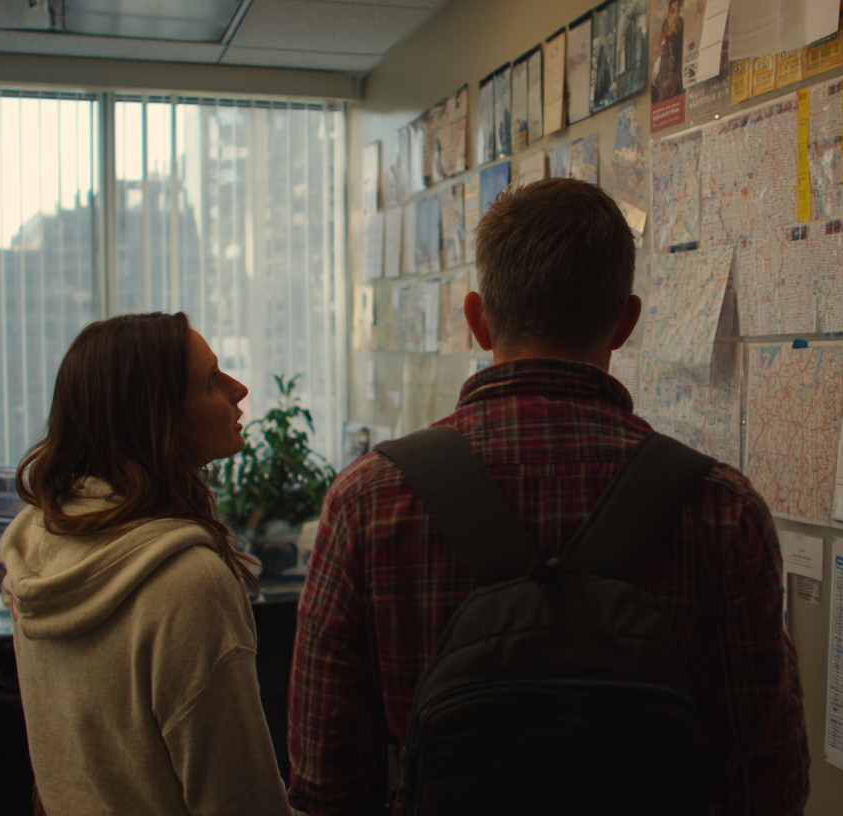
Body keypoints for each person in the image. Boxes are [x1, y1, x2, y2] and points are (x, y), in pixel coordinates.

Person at [288, 178, 809, 815]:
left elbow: (327, 782)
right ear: (625, 322)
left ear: (477, 321)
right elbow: (767, 783)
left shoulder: (367, 500)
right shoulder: (723, 510)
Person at [0, 312, 294, 816]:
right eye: (211, 382)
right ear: (158, 421)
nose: (239, 389)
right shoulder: (189, 584)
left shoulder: (39, 546)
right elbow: (241, 801)